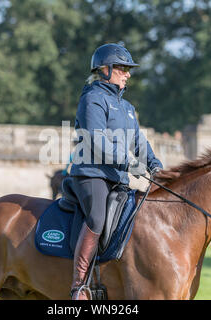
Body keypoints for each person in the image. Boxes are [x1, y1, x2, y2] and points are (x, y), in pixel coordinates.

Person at [69, 43, 163, 300]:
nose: (127, 74)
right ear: (104, 69)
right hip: (91, 174)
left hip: (118, 177)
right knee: (97, 218)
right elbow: (95, 139)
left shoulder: (127, 108)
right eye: (122, 68)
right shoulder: (92, 98)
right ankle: (79, 286)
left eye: (128, 69)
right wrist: (128, 162)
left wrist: (155, 164)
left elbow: (139, 142)